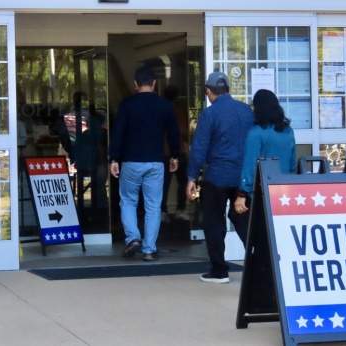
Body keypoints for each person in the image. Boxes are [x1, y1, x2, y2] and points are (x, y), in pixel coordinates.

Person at [186, 71, 254, 283]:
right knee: (244, 221)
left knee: (214, 222)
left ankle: (219, 270)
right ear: (228, 90)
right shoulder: (246, 110)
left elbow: (200, 147)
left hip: (217, 176)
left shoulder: (210, 113)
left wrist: (191, 177)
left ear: (208, 91)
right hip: (243, 176)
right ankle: (256, 265)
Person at [109, 66, 180, 261]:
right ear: (154, 83)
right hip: (156, 162)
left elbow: (118, 132)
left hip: (131, 161)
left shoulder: (127, 104)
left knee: (128, 201)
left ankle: (132, 238)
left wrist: (113, 158)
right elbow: (173, 133)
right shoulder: (164, 105)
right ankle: (149, 249)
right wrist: (175, 156)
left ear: (135, 84)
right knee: (153, 206)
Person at [234, 89, 296, 216]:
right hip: (283, 190)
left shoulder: (255, 132)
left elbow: (250, 166)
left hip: (260, 192)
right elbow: (292, 162)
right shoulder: (288, 131)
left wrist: (242, 194)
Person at [161, 85, 189, 222]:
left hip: (163, 151)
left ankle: (162, 211)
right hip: (179, 151)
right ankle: (180, 209)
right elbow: (183, 132)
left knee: (163, 183)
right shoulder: (177, 112)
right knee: (183, 181)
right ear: (176, 98)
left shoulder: (159, 111)